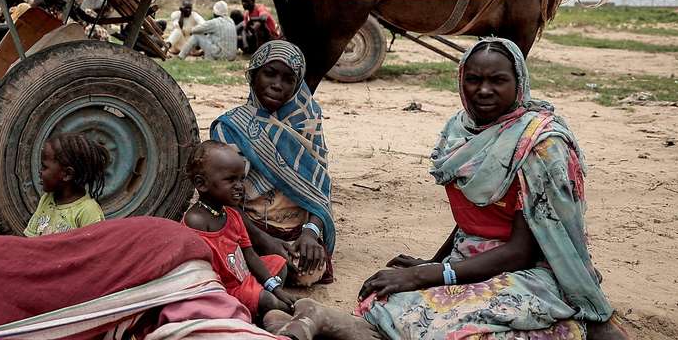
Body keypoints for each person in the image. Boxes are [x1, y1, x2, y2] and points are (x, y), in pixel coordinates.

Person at [354, 38, 629, 340]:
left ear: (518, 82)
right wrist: (436, 262)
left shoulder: (540, 144)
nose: (483, 90)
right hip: (470, 261)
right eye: (474, 80)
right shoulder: (460, 131)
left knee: (445, 327)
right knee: (380, 302)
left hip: (536, 272)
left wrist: (429, 274)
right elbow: (472, 217)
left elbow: (521, 252)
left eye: (498, 80)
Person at [0, 217, 277, 340]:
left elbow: (38, 294)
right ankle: (281, 320)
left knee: (193, 320)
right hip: (155, 242)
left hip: (156, 257)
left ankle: (274, 322)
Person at [212, 41, 335, 286]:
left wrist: (311, 233)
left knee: (305, 269)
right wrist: (262, 239)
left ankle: (264, 270)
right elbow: (223, 196)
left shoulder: (307, 124)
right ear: (253, 74)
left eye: (288, 79)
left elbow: (319, 191)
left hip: (296, 232)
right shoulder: (231, 126)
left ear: (298, 85)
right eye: (269, 74)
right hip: (247, 227)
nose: (277, 85)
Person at [183, 140, 296, 321]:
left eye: (241, 179)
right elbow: (202, 273)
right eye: (230, 180)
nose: (239, 186)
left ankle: (263, 303)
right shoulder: (196, 221)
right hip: (225, 289)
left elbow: (250, 255)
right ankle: (293, 310)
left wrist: (273, 286)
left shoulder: (232, 215)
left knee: (278, 263)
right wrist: (269, 291)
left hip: (243, 276)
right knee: (267, 299)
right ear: (201, 184)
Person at [24, 132, 110, 237]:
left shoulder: (87, 211)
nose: (40, 171)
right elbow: (30, 239)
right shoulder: (47, 199)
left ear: (67, 174)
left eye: (44, 167)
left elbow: (93, 249)